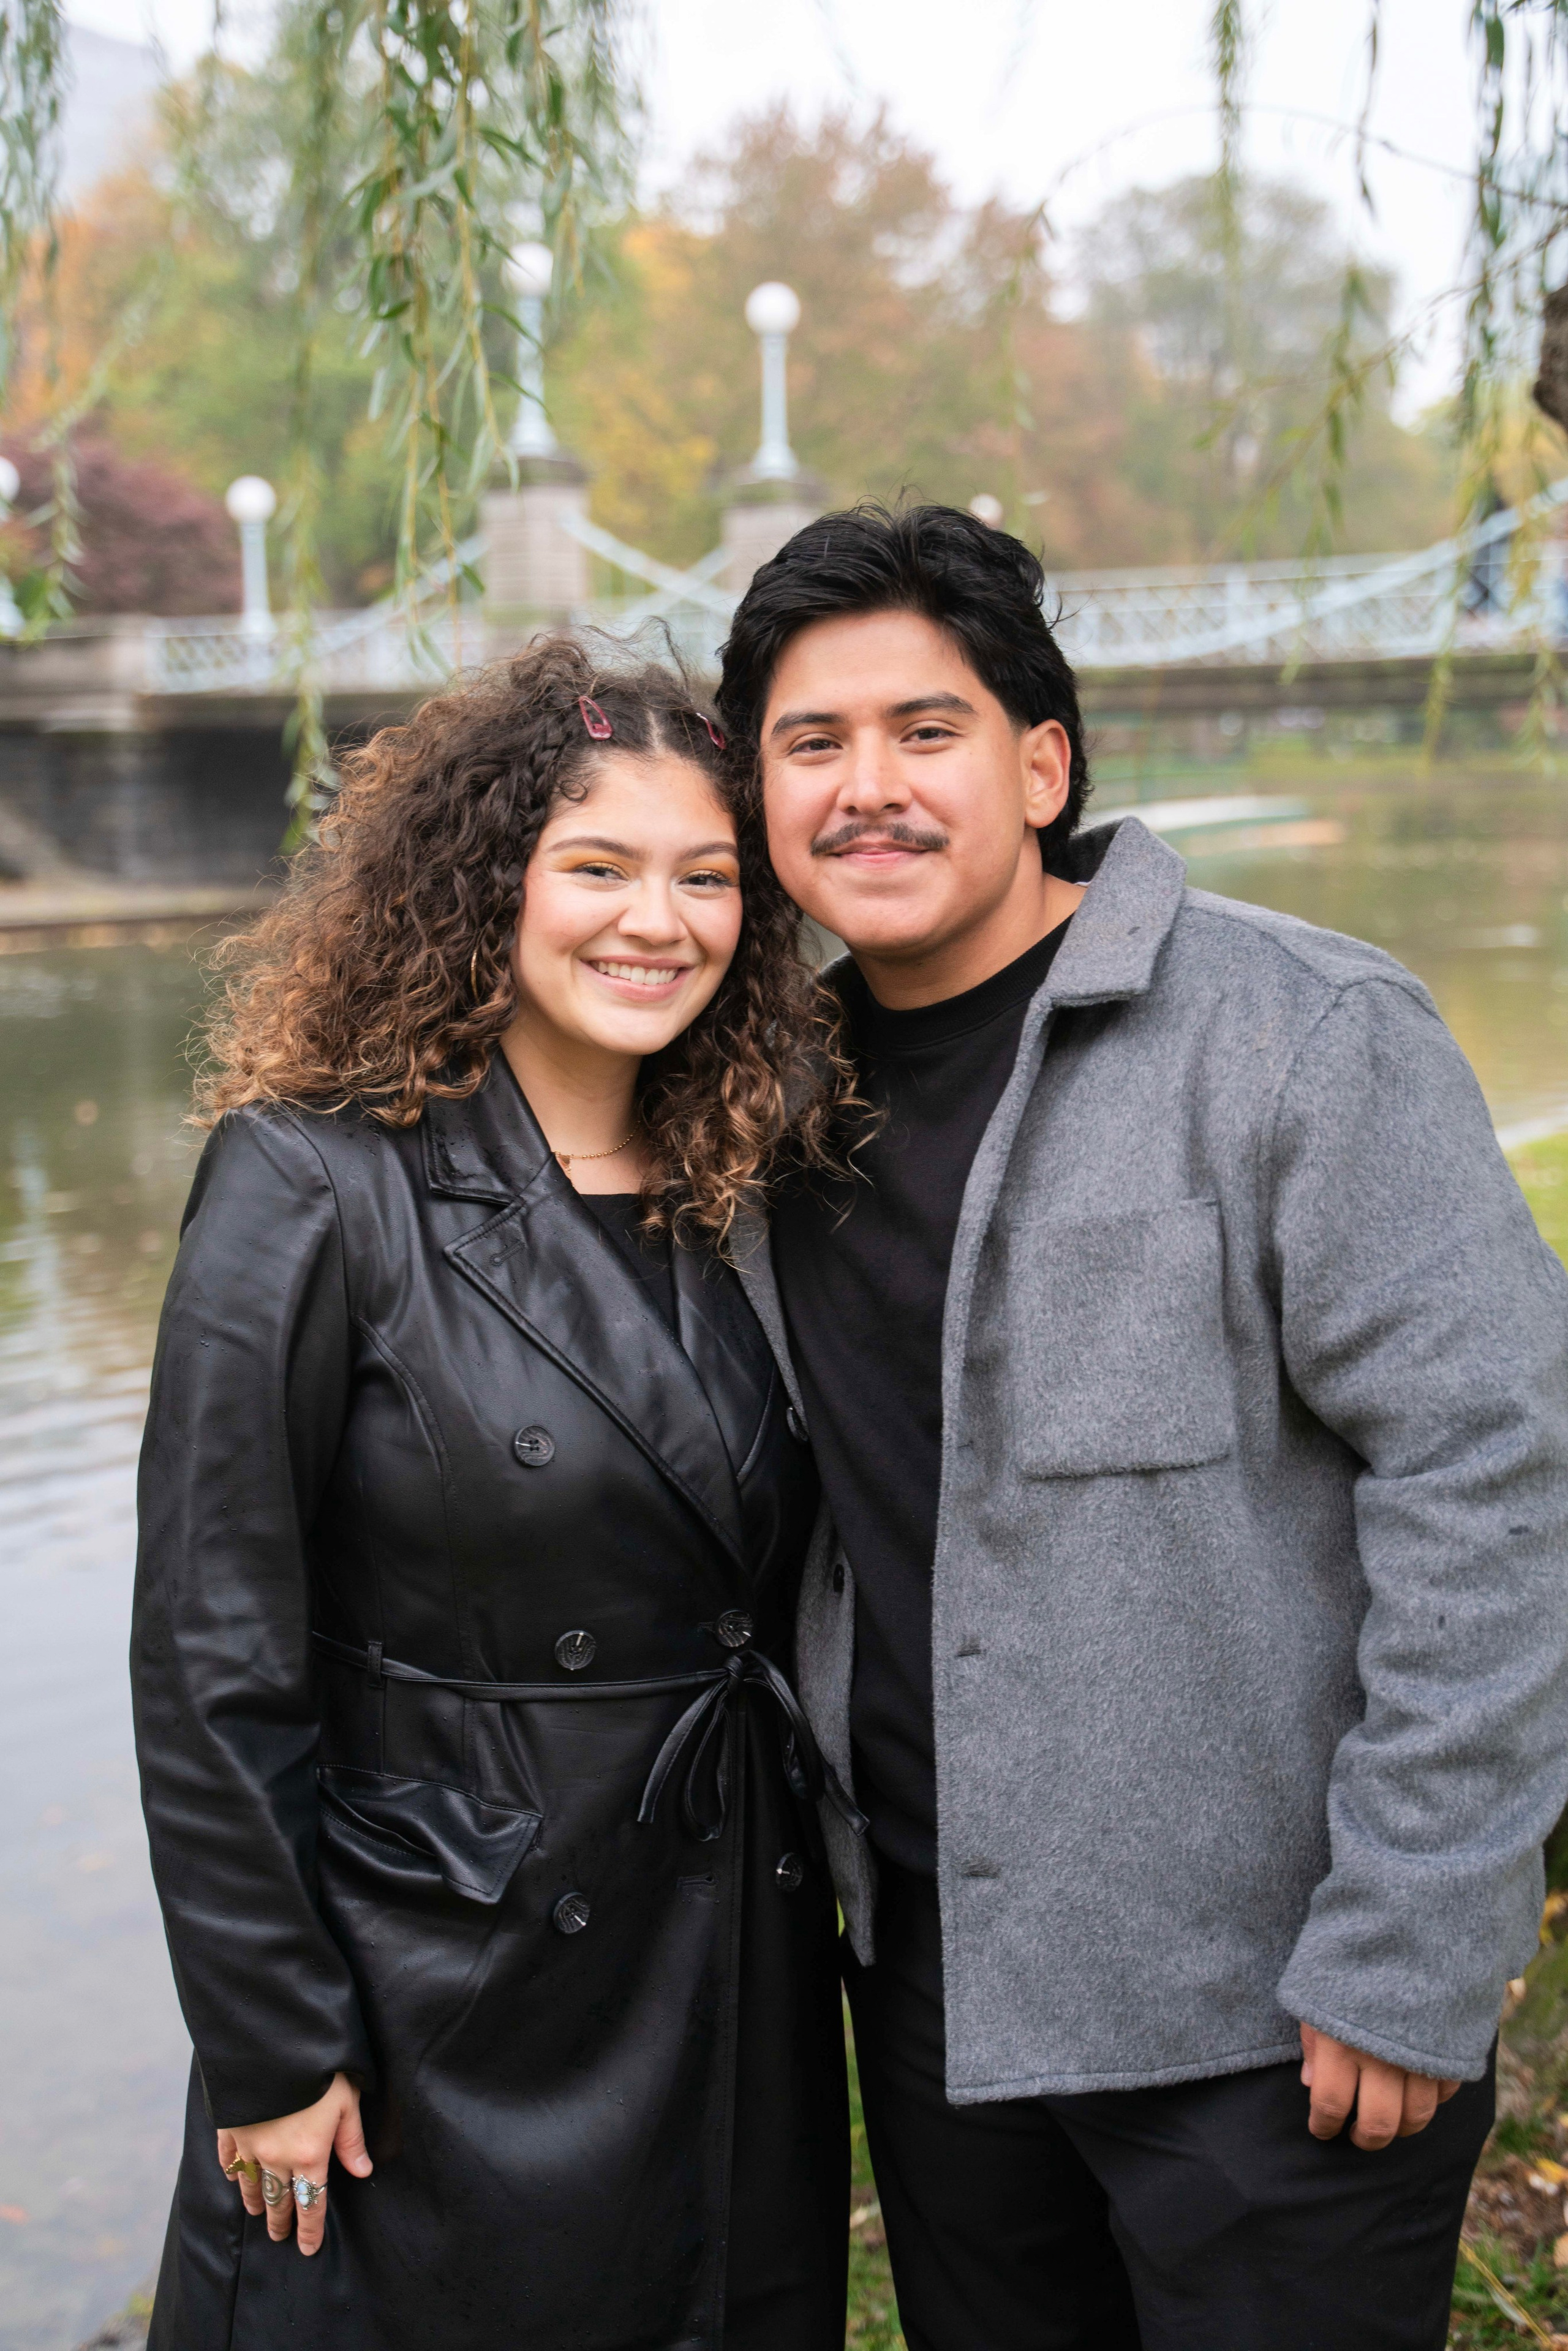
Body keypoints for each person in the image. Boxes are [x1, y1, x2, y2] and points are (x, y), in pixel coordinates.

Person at [713, 502, 1568, 2351]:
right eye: (812, 745)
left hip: (1274, 2027)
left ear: (1043, 764)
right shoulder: (758, 1110)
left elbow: (1500, 1486)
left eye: (924, 733)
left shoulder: (1302, 1036)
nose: (869, 788)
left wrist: (1413, 1944)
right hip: (945, 2005)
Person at [132, 638, 862, 2351]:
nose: (657, 921)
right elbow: (211, 1655)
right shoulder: (311, 1181)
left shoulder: (754, 1176)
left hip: (725, 1938)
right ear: (482, 890)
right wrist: (268, 2042)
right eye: (596, 868)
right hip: (434, 1979)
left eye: (710, 878)